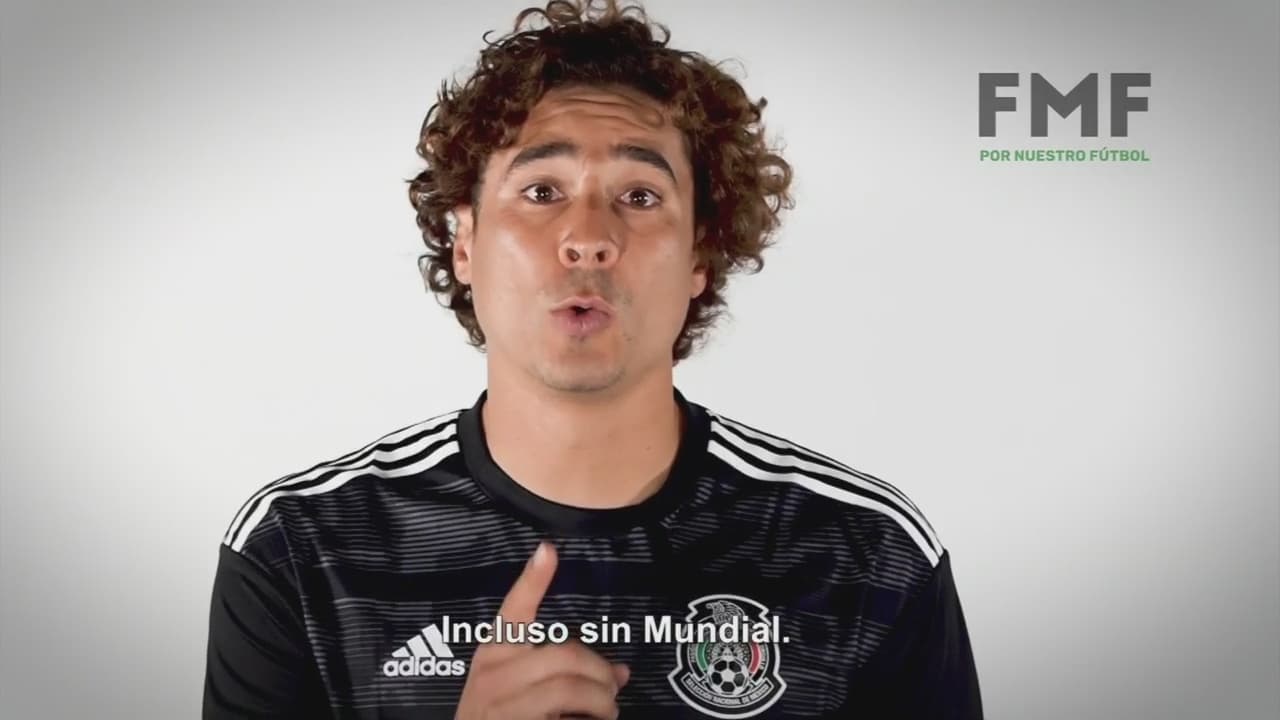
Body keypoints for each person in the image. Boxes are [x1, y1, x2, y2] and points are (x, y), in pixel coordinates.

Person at [201, 1, 983, 717]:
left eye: (639, 196)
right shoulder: (301, 549)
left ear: (699, 256)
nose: (588, 237)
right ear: (465, 242)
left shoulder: (866, 555)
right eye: (542, 191)